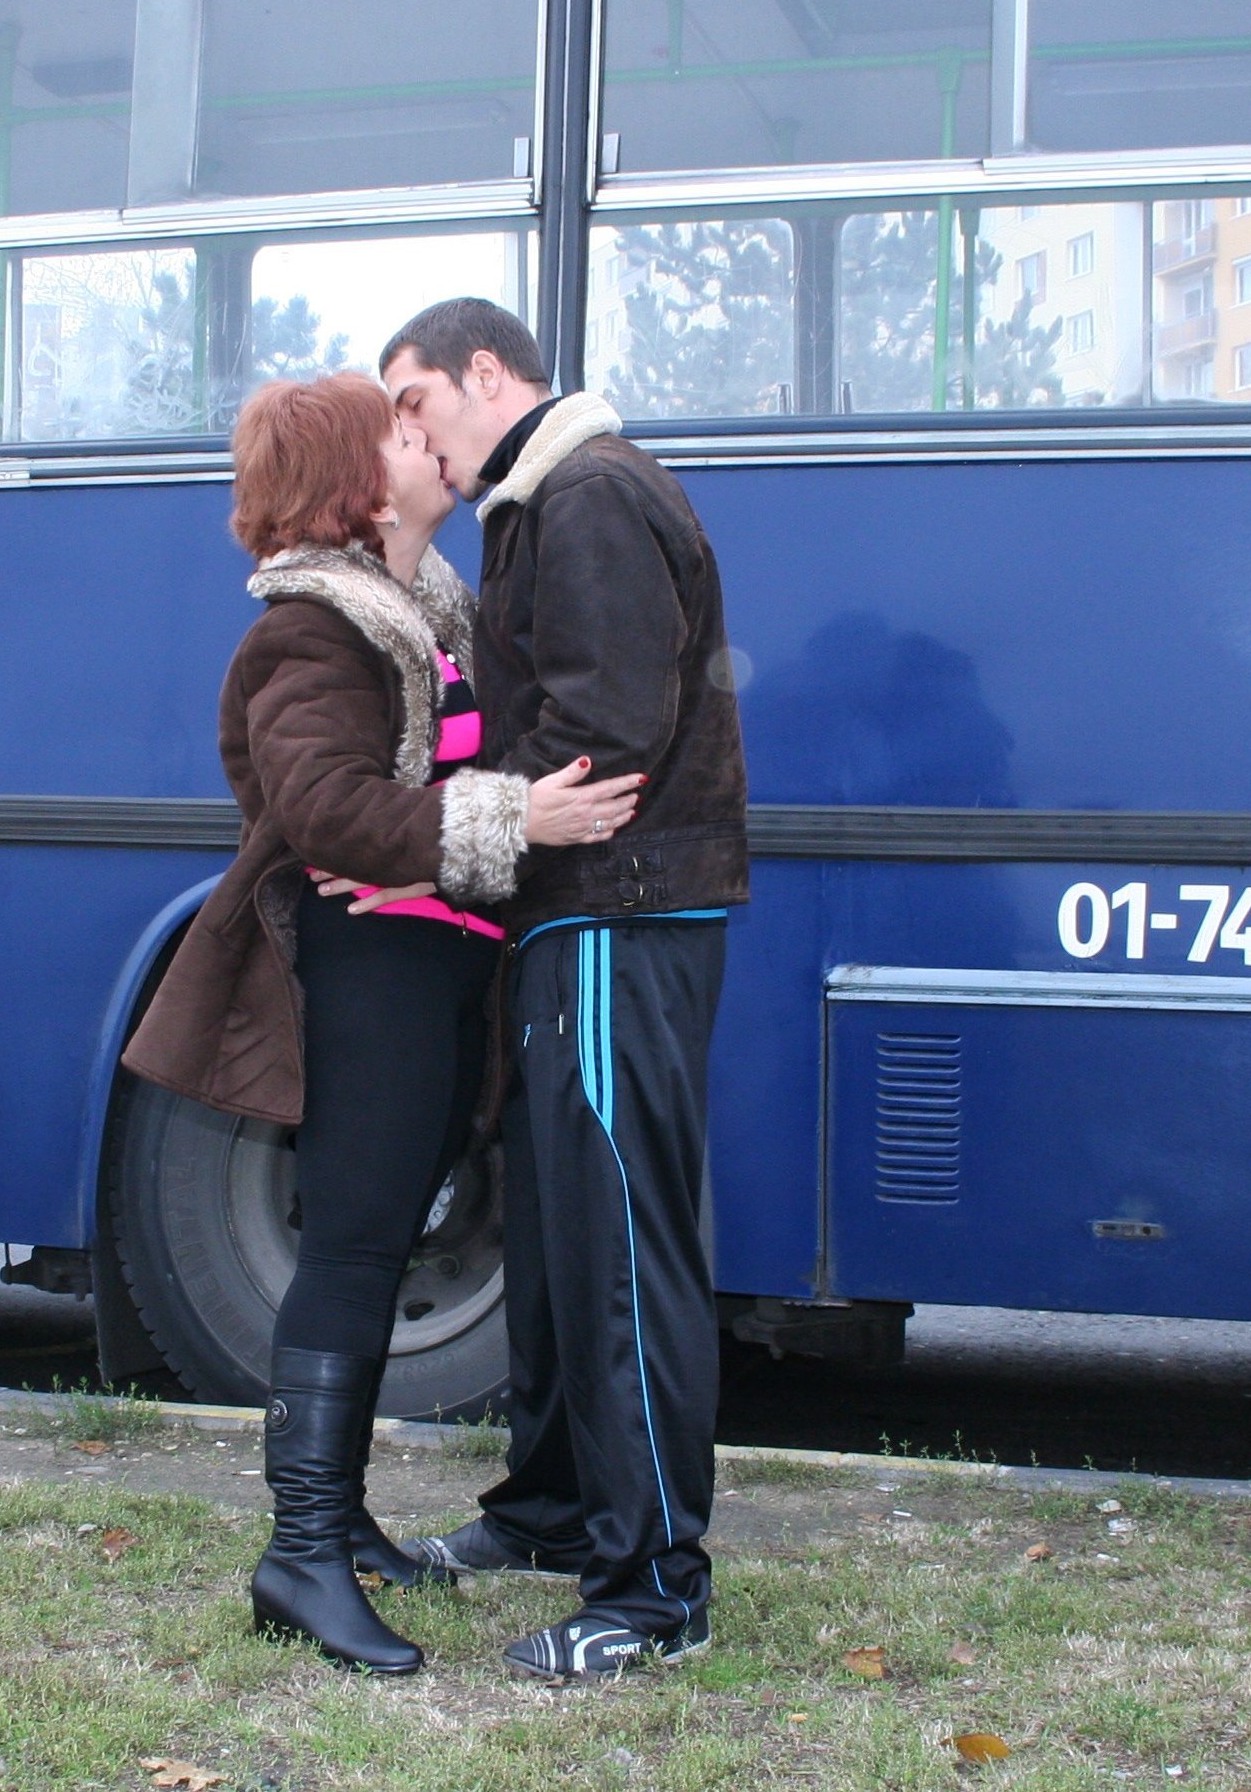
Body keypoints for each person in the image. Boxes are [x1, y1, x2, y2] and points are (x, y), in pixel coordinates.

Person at [120, 371, 641, 1674]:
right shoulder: (311, 630)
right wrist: (516, 818)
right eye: (401, 435)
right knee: (354, 1247)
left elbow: (407, 787)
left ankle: (338, 1521)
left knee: (383, 1233)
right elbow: (322, 809)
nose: (430, 442)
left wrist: (475, 832)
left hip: (435, 959)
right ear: (359, 487)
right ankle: (299, 1554)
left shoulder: (426, 614)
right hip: (373, 972)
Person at [378, 298, 750, 1685]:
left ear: (486, 373)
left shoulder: (587, 494)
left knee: (616, 1250)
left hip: (616, 914)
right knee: (554, 1241)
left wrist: (456, 819)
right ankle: (549, 1512)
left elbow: (600, 738)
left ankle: (653, 1591)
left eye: (417, 400)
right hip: (580, 917)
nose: (411, 436)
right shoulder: (543, 500)